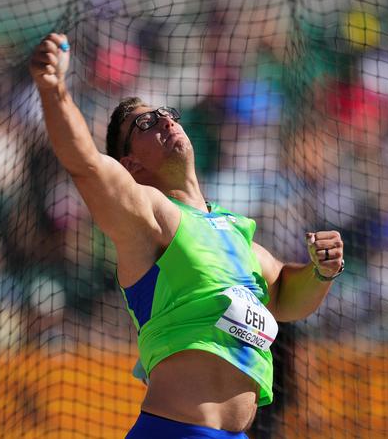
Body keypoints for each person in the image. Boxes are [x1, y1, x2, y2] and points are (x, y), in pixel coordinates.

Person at [29, 33, 345, 438]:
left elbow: (286, 297)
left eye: (166, 112)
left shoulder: (235, 230)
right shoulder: (150, 214)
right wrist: (53, 88)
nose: (165, 119)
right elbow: (86, 165)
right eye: (145, 123)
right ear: (130, 164)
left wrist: (320, 271)